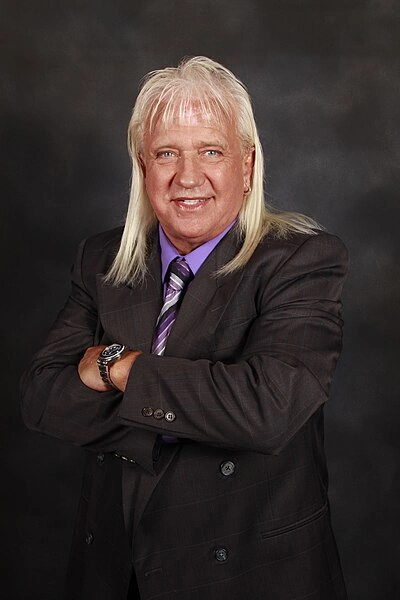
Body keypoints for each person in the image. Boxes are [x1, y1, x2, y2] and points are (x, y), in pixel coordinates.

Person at [21, 56, 348, 600]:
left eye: (211, 152)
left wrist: (117, 367)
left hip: (249, 574)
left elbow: (268, 411)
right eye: (166, 153)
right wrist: (201, 407)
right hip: (117, 572)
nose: (187, 177)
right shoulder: (102, 259)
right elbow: (42, 399)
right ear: (142, 166)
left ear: (247, 165)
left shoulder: (301, 260)